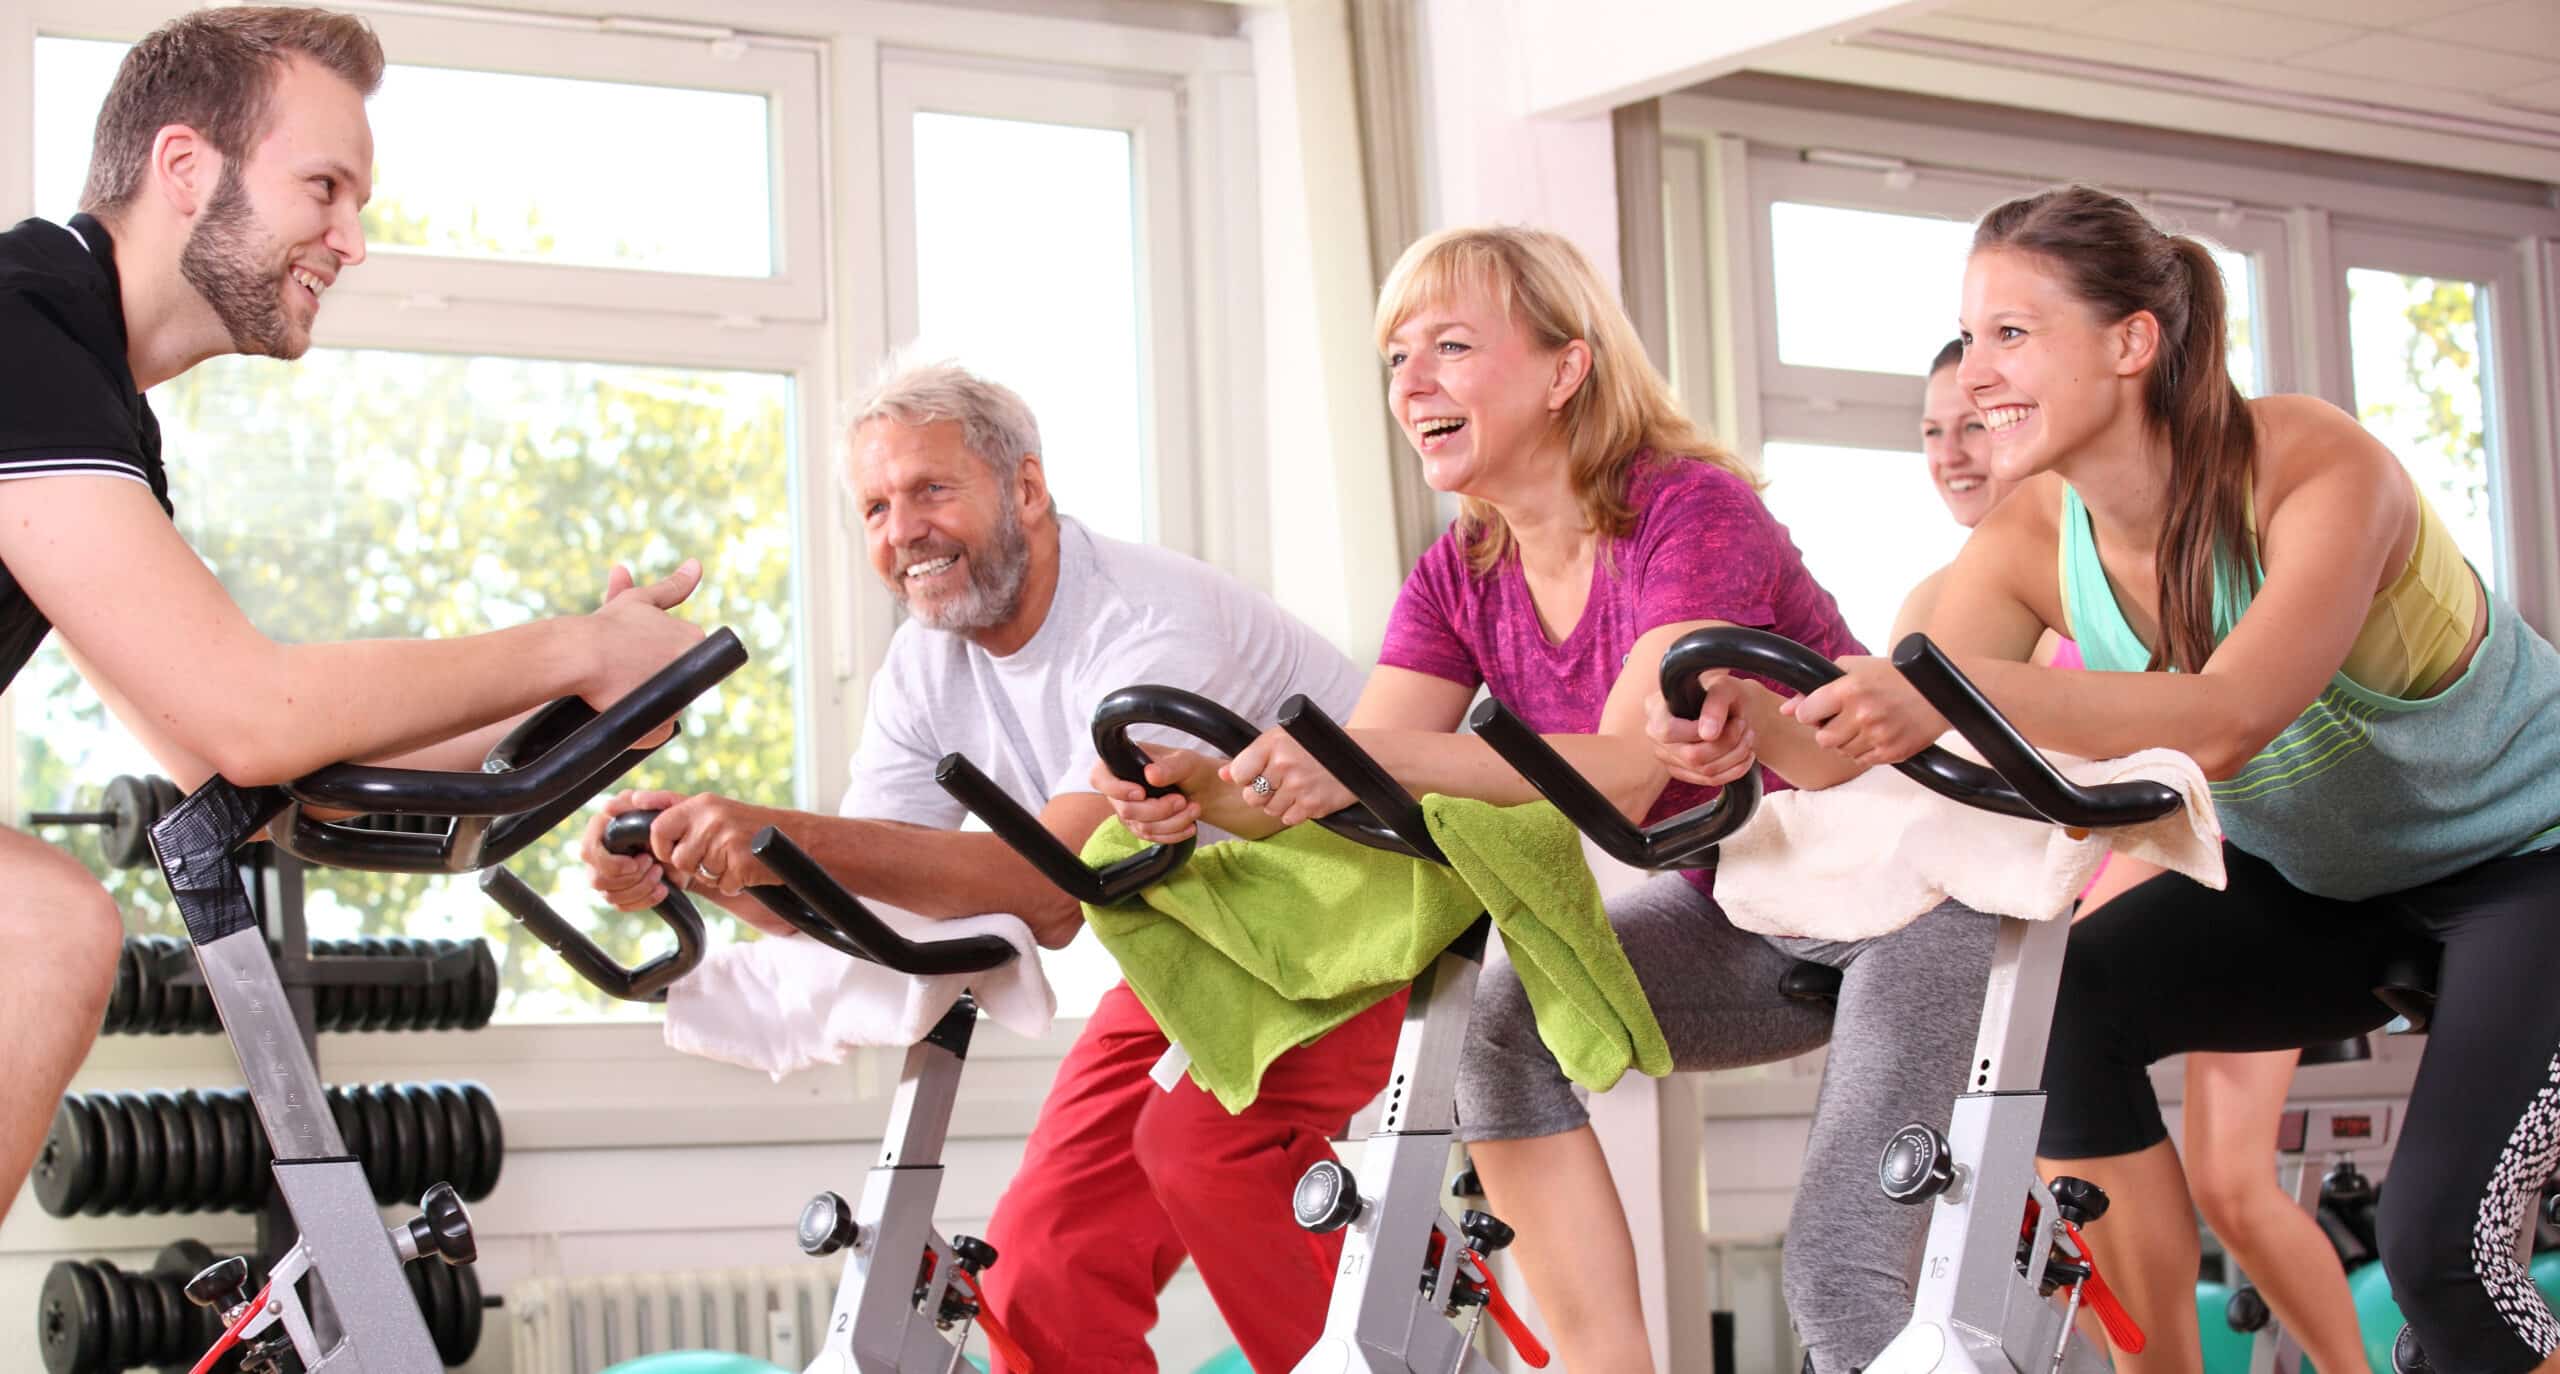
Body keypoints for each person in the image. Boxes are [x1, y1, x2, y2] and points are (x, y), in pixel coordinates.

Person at [1096, 224, 1997, 1374]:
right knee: (1498, 1027)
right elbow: (1360, 771)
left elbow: (1633, 765)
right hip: (1755, 905)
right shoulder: (1460, 569)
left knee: (1839, 1275)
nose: (1410, 382)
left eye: (1451, 346)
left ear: (1565, 369)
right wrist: (1214, 796)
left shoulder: (1691, 509)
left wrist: (1366, 762)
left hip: (1919, 900)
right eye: (1395, 357)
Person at [1792, 183, 2560, 1374]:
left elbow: (2225, 718)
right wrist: (1755, 731)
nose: (1977, 373)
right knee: (2071, 1010)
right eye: (1970, 334)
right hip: (2326, 884)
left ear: (2130, 343)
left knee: (2441, 1257)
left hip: (2529, 867)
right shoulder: (2026, 534)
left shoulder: (2316, 469)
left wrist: (1932, 688)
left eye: (2012, 333)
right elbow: (1916, 740)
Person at [0, 6, 708, 1228]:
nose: (354, 240)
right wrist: (578, 646)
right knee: (44, 927)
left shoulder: (87, 402)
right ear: (185, 167)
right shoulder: (18, 327)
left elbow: (233, 759)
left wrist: (594, 708)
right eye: (323, 186)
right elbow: (251, 715)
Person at [576, 360, 1388, 1374]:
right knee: (1043, 1273)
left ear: (1027, 492)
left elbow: (1053, 886)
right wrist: (696, 859)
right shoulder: (925, 664)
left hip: (1355, 912)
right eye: (873, 506)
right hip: (1199, 943)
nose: (900, 529)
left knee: (1204, 1156)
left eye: (930, 489)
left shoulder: (1146, 620)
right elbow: (859, 897)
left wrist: (775, 832)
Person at [1899, 334, 2369, 1373]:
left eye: (1973, 423)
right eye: (1933, 431)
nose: (1954, 451)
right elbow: (1908, 770)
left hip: (2215, 871)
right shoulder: (1949, 599)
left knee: (2232, 1186)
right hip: (2066, 915)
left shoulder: (2112, 552)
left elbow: (2209, 750)